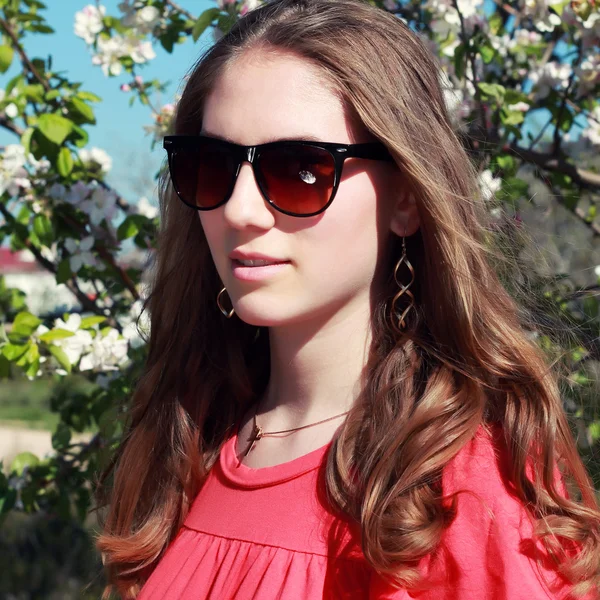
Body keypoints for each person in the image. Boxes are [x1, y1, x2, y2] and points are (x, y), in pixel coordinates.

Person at [95, 0, 600, 598]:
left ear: (408, 197)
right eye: (213, 165)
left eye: (301, 169)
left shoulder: (452, 494)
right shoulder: (190, 442)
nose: (238, 209)